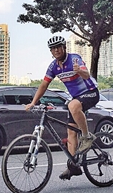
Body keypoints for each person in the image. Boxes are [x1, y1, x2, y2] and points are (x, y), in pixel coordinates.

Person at [25, 35, 99, 180]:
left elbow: (86, 74)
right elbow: (44, 85)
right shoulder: (53, 67)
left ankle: (86, 136)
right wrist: (33, 102)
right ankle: (73, 166)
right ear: (51, 52)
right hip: (76, 98)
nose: (56, 50)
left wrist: (79, 71)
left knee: (72, 105)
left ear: (64, 47)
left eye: (59, 47)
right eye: (53, 48)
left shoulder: (74, 59)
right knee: (71, 134)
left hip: (91, 92)